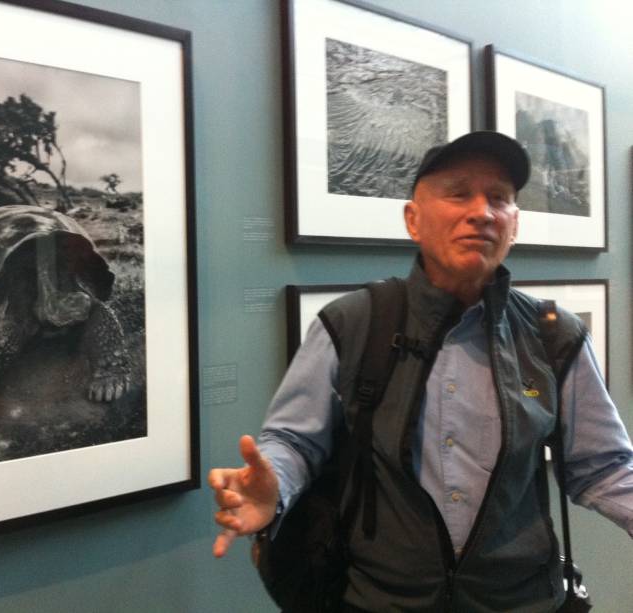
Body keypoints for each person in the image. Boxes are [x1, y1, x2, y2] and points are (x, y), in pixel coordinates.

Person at [208, 131, 633, 611]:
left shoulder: (554, 337)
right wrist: (273, 493)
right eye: (458, 193)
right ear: (413, 219)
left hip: (522, 600)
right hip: (380, 600)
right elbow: (295, 442)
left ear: (514, 224)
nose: (481, 211)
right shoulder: (352, 324)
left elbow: (603, 467)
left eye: (499, 198)